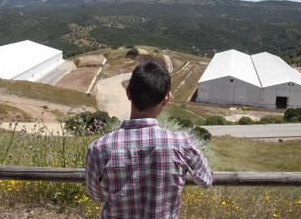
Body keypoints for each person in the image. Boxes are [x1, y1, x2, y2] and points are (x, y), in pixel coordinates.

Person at [85, 60, 213, 219]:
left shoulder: (98, 148)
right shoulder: (181, 144)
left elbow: (96, 195)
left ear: (128, 92)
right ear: (166, 98)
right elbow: (206, 179)